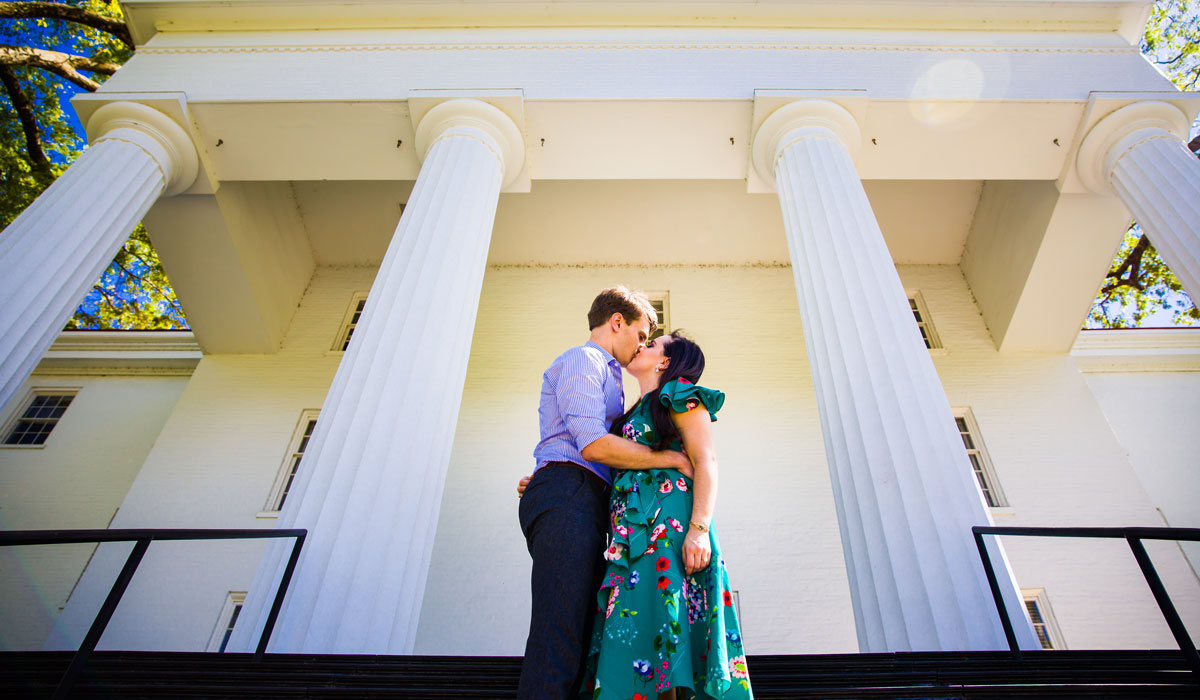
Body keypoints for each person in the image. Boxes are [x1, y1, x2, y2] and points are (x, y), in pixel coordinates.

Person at [518, 287, 693, 700]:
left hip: (582, 498)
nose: (641, 345)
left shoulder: (613, 379)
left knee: (582, 636)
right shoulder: (584, 360)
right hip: (569, 494)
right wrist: (668, 458)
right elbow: (593, 445)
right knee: (558, 635)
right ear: (617, 322)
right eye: (640, 333)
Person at [581, 330, 752, 700]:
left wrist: (699, 530)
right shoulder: (630, 414)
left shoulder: (681, 395)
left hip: (670, 536)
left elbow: (706, 461)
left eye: (654, 344)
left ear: (665, 362)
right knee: (638, 634)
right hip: (630, 543)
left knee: (667, 625)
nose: (643, 345)